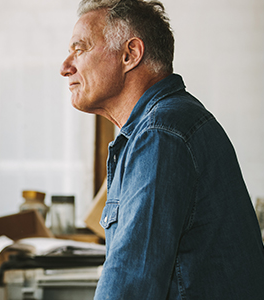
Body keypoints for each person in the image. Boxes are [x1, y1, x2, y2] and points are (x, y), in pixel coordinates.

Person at [60, 0, 264, 299]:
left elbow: (129, 286)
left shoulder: (161, 134)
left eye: (80, 49)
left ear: (130, 54)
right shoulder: (166, 123)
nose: (65, 67)